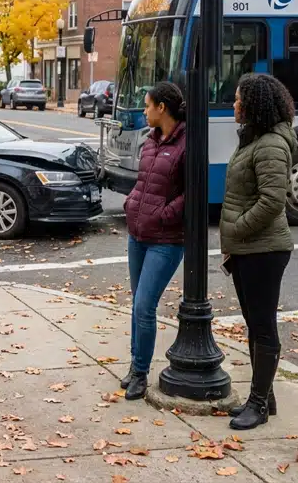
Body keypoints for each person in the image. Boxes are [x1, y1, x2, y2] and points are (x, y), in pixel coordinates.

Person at [221, 73, 297, 431]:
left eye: (239, 99)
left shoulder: (269, 144)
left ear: (255, 105)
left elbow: (272, 201)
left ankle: (259, 405)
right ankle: (264, 396)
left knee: (263, 326)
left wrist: (237, 229)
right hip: (249, 248)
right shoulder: (255, 139)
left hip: (264, 249)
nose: (234, 104)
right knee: (254, 325)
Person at [120, 82, 187, 400]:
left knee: (145, 306)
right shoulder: (150, 142)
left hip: (167, 239)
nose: (144, 111)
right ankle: (135, 366)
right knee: (136, 306)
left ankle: (141, 374)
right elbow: (143, 182)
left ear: (162, 108)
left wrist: (163, 215)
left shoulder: (187, 143)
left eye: (147, 106)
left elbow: (192, 194)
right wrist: (131, 203)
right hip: (138, 234)